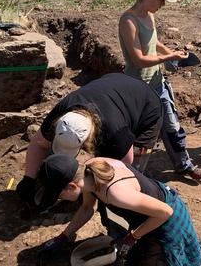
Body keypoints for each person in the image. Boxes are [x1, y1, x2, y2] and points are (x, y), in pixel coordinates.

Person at [33, 154, 201, 266]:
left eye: (59, 195)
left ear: (71, 186)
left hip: (165, 220)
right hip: (149, 217)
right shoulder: (90, 170)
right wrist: (63, 237)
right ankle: (194, 252)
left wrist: (133, 237)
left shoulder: (115, 193)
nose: (61, 200)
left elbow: (165, 213)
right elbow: (86, 208)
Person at [16, 73, 163, 206]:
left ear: (87, 140)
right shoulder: (63, 113)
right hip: (112, 85)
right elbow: (38, 143)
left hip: (147, 107)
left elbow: (124, 164)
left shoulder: (115, 132)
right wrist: (29, 178)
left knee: (126, 175)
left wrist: (90, 190)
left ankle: (133, 202)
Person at [118, 0, 201, 181]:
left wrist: (171, 56)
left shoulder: (149, 15)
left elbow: (154, 42)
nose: (163, 4)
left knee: (172, 126)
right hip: (138, 88)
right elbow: (138, 59)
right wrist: (168, 56)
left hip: (158, 83)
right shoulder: (128, 20)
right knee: (142, 136)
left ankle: (183, 164)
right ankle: (134, 175)